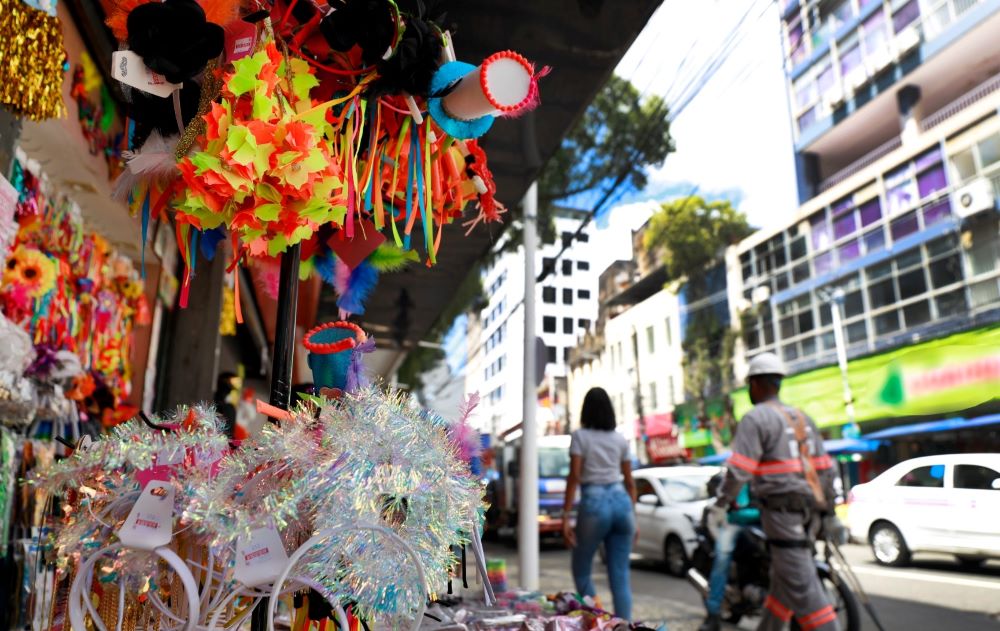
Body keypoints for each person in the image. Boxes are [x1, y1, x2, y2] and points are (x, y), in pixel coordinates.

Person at [706, 352, 840, 631]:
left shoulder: (756, 419)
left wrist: (719, 504)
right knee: (781, 590)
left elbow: (739, 470)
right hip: (808, 514)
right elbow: (826, 469)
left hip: (782, 517)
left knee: (807, 596)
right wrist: (830, 513)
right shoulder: (802, 418)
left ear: (755, 384)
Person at [561, 387, 637, 620]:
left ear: (586, 410)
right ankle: (624, 626)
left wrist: (565, 517)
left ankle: (599, 622)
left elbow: (574, 476)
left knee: (582, 571)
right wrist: (635, 518)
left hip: (594, 503)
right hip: (622, 503)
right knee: (620, 575)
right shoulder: (620, 439)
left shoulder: (580, 436)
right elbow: (630, 482)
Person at [698, 477, 759, 631]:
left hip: (770, 521)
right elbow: (732, 500)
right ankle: (713, 614)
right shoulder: (742, 474)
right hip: (737, 523)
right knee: (722, 558)